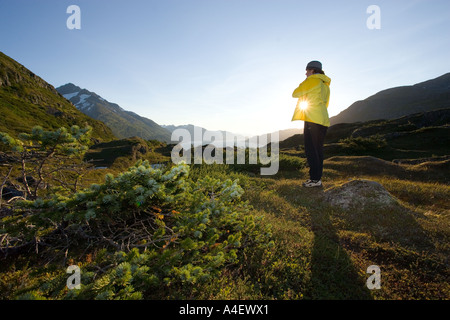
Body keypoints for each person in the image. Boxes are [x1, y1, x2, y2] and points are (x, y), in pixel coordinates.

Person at [291, 60, 331, 188]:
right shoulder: (325, 85)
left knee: (311, 150)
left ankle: (314, 180)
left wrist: (303, 83)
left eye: (307, 71)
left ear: (312, 70)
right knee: (318, 149)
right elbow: (326, 103)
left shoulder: (311, 80)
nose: (305, 73)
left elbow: (295, 93)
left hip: (312, 119)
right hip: (322, 119)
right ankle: (316, 179)